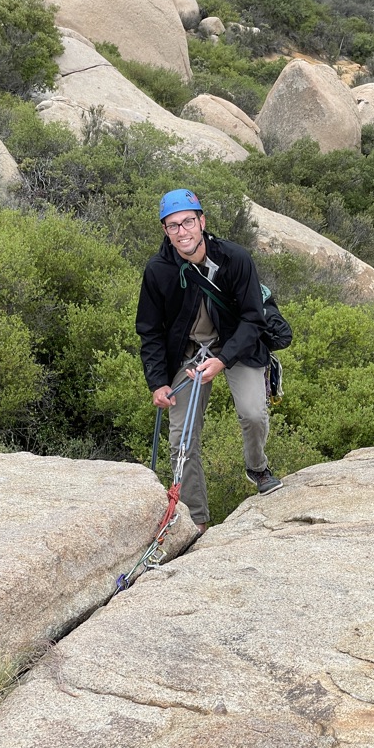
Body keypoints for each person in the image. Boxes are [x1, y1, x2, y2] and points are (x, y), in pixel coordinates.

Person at [136, 188, 283, 534]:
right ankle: (196, 521)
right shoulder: (159, 270)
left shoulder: (234, 258)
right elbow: (150, 330)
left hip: (237, 348)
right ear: (165, 231)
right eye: (173, 226)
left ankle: (257, 468)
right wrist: (158, 382)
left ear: (202, 222)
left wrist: (223, 359)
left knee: (252, 413)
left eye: (188, 222)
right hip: (189, 354)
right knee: (181, 441)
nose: (182, 231)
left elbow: (253, 319)